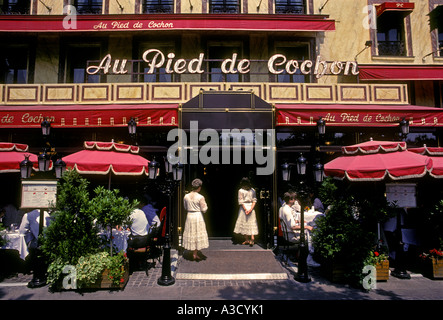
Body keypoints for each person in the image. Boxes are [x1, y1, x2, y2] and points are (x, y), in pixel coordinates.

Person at [182, 178, 209, 261]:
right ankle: (195, 253)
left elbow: (185, 207)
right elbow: (204, 209)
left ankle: (193, 252)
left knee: (191, 232)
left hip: (189, 215)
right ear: (199, 187)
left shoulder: (186, 196)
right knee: (196, 233)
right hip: (197, 216)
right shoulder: (200, 197)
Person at [233, 177, 258, 246]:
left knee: (245, 223)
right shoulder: (253, 190)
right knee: (251, 223)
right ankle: (252, 238)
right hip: (250, 207)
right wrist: (250, 209)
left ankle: (247, 239)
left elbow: (241, 201)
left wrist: (246, 210)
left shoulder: (240, 191)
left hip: (244, 208)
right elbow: (254, 200)